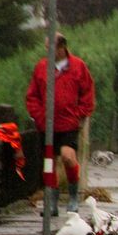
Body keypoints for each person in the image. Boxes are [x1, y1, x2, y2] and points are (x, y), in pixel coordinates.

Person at [25, 32, 95, 215]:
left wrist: (79, 114)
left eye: (50, 48)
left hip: (68, 124)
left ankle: (73, 197)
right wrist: (40, 117)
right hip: (46, 125)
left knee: (68, 157)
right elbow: (32, 96)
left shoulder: (78, 67)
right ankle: (52, 203)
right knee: (49, 163)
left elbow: (88, 93)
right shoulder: (41, 68)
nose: (47, 51)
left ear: (61, 48)